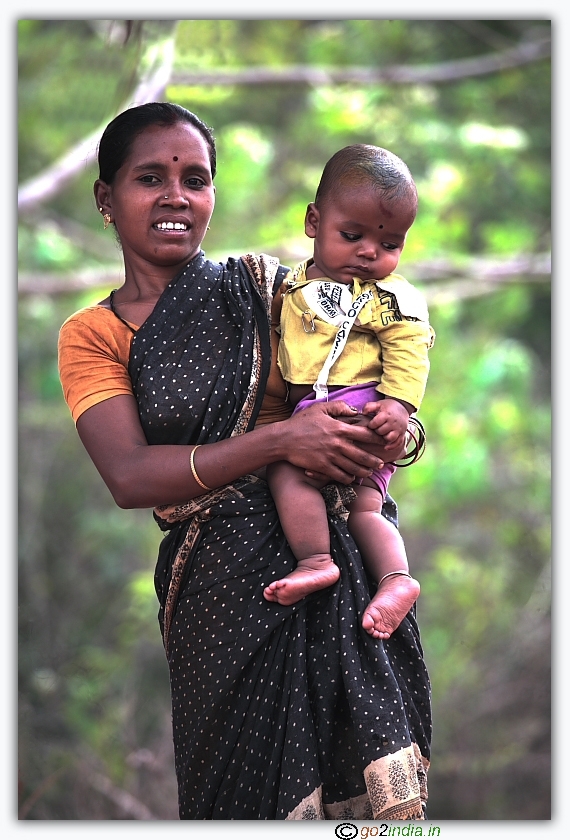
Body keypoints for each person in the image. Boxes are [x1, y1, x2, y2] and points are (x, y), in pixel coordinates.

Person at [58, 102, 432, 820]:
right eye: (149, 178)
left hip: (342, 564)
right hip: (220, 593)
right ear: (106, 199)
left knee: (374, 800)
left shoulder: (269, 291)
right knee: (243, 797)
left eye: (194, 179)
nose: (175, 196)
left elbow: (375, 361)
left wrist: (393, 429)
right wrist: (280, 443)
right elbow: (130, 477)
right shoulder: (93, 335)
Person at [263, 145, 435, 642]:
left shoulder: (386, 297)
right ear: (313, 220)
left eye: (389, 244)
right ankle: (397, 579)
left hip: (360, 407)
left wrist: (398, 407)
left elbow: (410, 345)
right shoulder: (292, 286)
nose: (368, 253)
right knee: (365, 509)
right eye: (352, 235)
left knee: (284, 468)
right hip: (320, 408)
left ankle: (317, 559)